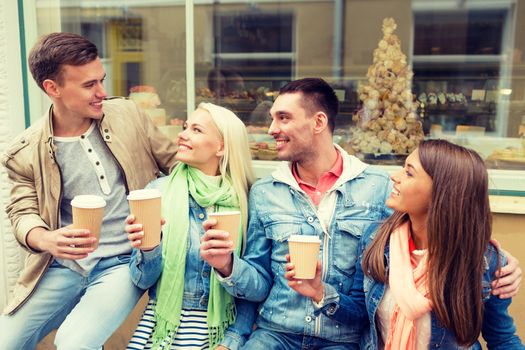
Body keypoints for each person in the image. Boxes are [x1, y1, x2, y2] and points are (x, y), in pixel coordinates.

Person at [200, 78, 522, 349]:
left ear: (318, 123)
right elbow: (258, 282)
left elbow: (448, 223)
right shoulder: (267, 192)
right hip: (277, 332)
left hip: (342, 338)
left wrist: (494, 257)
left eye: (283, 118)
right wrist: (228, 270)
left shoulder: (378, 187)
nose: (271, 129)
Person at [0, 32, 178, 349]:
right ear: (52, 88)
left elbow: (176, 165)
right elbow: (21, 212)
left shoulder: (129, 116)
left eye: (101, 80)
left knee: (73, 344)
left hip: (124, 263)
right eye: (89, 85)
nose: (102, 92)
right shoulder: (24, 151)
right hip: (62, 266)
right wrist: (46, 239)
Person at [286, 139, 524, 349]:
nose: (394, 176)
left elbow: (501, 339)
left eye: (409, 173)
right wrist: (319, 291)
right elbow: (361, 316)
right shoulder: (377, 240)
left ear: (442, 192)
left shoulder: (485, 262)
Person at [126, 103, 256, 350]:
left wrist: (231, 342)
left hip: (221, 331)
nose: (182, 134)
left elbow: (254, 290)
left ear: (222, 146)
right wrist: (149, 248)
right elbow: (141, 280)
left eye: (196, 130)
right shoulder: (157, 192)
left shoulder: (247, 201)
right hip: (162, 328)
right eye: (185, 127)